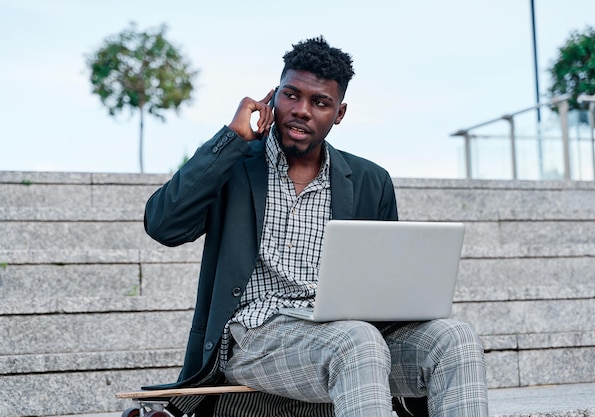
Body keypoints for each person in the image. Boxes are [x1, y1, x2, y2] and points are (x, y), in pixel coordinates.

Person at [144, 36, 488, 417]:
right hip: (256, 336)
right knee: (356, 340)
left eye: (319, 102)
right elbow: (163, 225)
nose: (302, 110)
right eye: (291, 95)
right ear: (273, 97)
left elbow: (385, 287)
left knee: (456, 336)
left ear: (339, 113)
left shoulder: (369, 180)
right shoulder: (235, 165)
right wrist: (231, 140)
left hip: (347, 335)